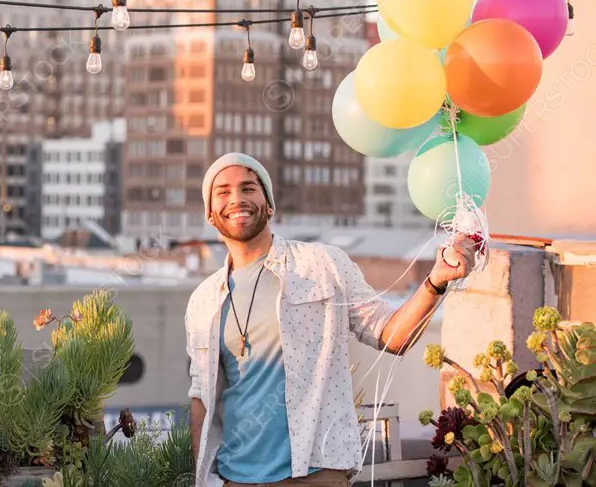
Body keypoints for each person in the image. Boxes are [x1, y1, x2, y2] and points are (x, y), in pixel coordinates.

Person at [186, 153, 479, 487]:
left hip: (316, 473)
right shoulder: (204, 300)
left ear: (268, 205)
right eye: (222, 191)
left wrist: (435, 281)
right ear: (210, 213)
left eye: (248, 188)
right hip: (234, 478)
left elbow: (391, 335)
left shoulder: (322, 265)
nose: (236, 198)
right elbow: (202, 398)